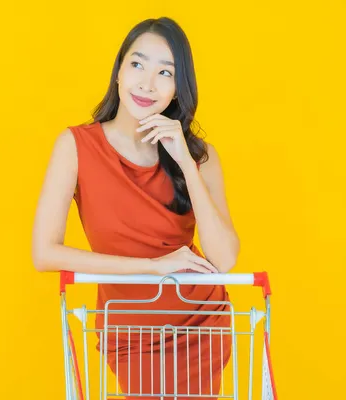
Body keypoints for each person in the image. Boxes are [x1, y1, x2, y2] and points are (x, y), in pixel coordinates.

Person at [32, 17, 240, 400]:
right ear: (118, 72)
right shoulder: (76, 146)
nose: (147, 83)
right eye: (138, 64)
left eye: (165, 72)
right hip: (131, 329)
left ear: (178, 90)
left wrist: (185, 162)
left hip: (200, 321)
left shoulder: (200, 157)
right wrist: (151, 268)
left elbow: (225, 259)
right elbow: (44, 253)